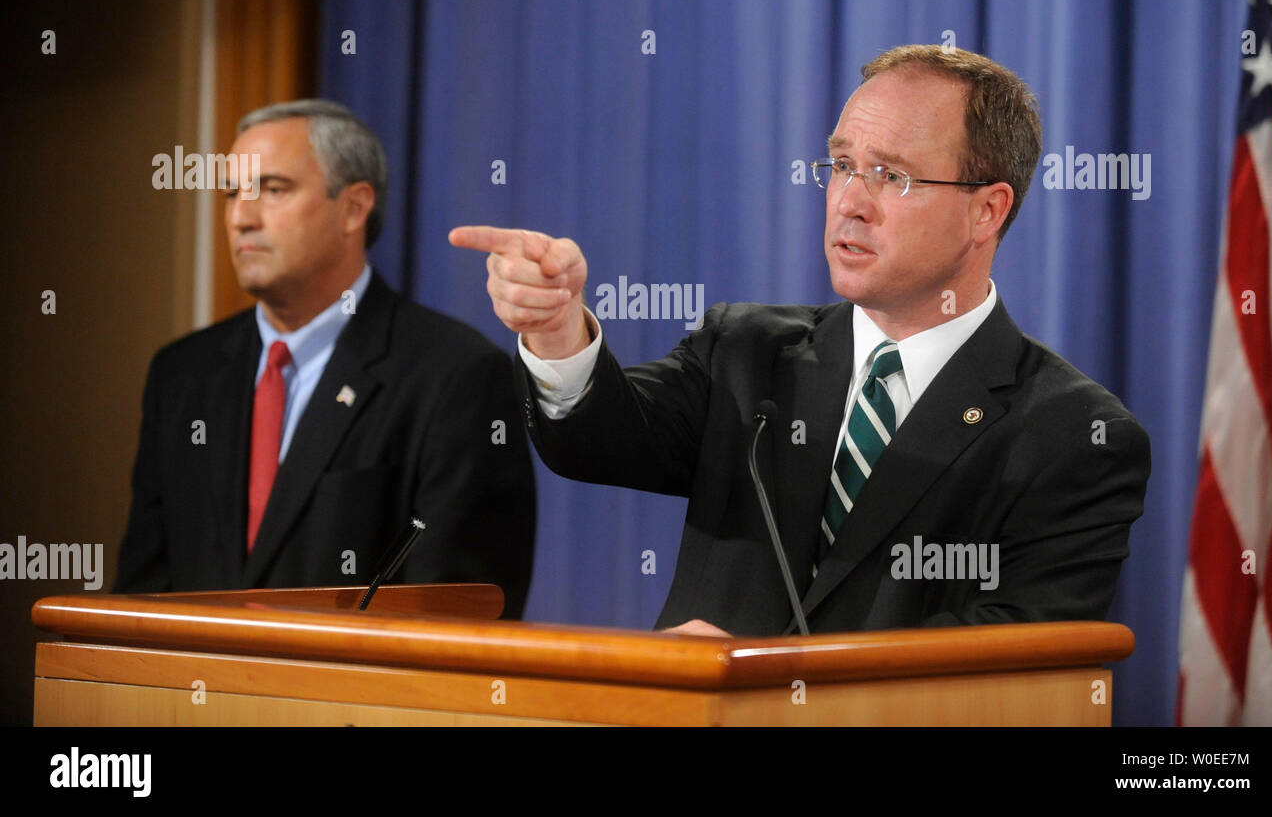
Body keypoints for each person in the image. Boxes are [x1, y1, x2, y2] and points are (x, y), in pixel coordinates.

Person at [450, 45, 1150, 636]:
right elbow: (595, 441)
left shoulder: (1073, 436)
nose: (849, 200)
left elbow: (1014, 668)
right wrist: (557, 330)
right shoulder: (745, 353)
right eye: (842, 165)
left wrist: (767, 683)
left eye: (892, 176)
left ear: (986, 210)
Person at [117, 100, 536, 618]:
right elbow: (140, 598)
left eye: (272, 190)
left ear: (354, 207)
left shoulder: (457, 377)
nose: (241, 218)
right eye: (232, 194)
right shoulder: (180, 376)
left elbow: (456, 619)